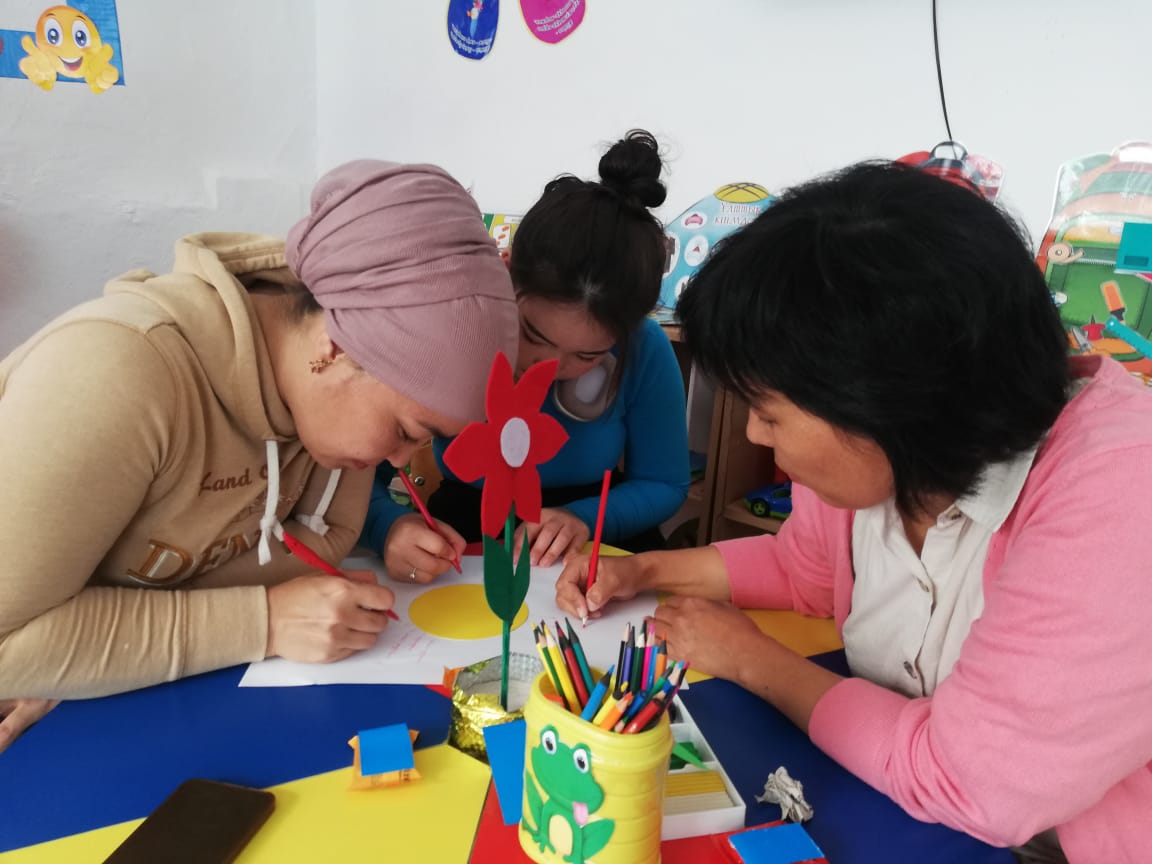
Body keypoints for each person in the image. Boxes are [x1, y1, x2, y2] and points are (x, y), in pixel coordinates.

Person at [556, 161, 1152, 863]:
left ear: (882, 404)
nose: (754, 436)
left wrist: (753, 661)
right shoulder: (880, 463)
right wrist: (644, 571)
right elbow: (806, 570)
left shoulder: (1119, 492)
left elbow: (970, 783)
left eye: (771, 413)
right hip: (906, 816)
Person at [0, 160, 519, 753]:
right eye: (404, 430)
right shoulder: (116, 374)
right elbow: (8, 643)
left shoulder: (319, 413)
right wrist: (265, 621)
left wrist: (82, 657)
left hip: (154, 705)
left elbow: (323, 542)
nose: (402, 463)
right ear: (336, 347)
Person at [361, 130, 690, 569]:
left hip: (596, 532)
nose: (550, 366)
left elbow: (665, 483)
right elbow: (360, 473)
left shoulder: (645, 347)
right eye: (533, 335)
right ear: (506, 273)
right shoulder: (453, 335)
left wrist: (583, 518)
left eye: (588, 356)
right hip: (465, 529)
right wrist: (389, 526)